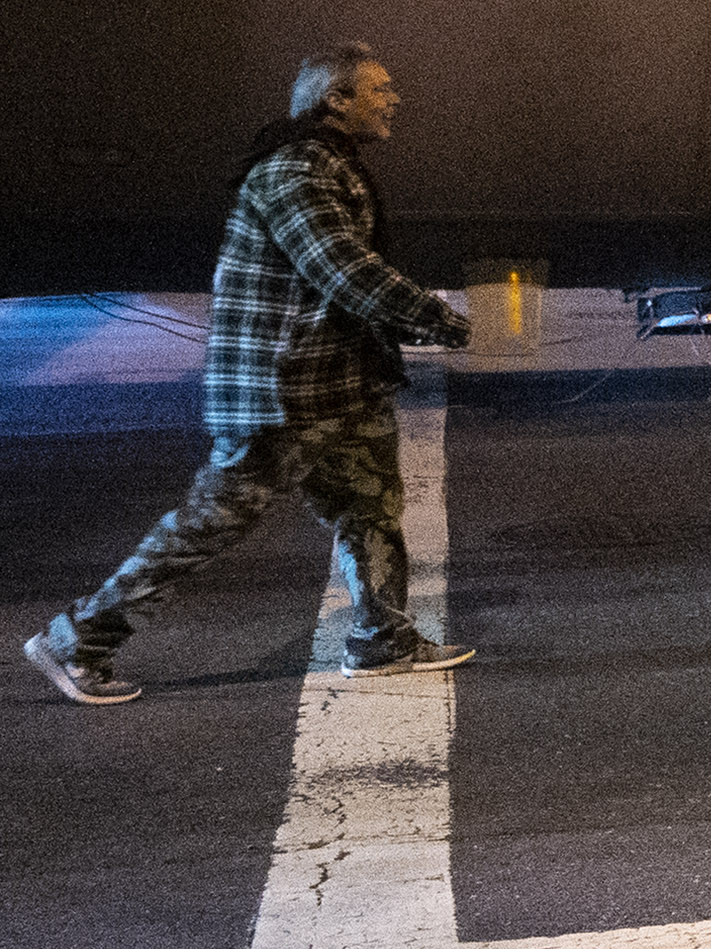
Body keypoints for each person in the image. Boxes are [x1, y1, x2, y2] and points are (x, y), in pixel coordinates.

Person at [26, 46, 473, 706]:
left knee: (370, 508)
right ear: (336, 101)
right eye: (379, 89)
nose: (395, 98)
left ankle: (384, 639)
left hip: (341, 382)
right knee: (214, 520)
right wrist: (437, 317)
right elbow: (341, 267)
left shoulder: (329, 163)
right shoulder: (297, 167)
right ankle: (79, 638)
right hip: (283, 389)